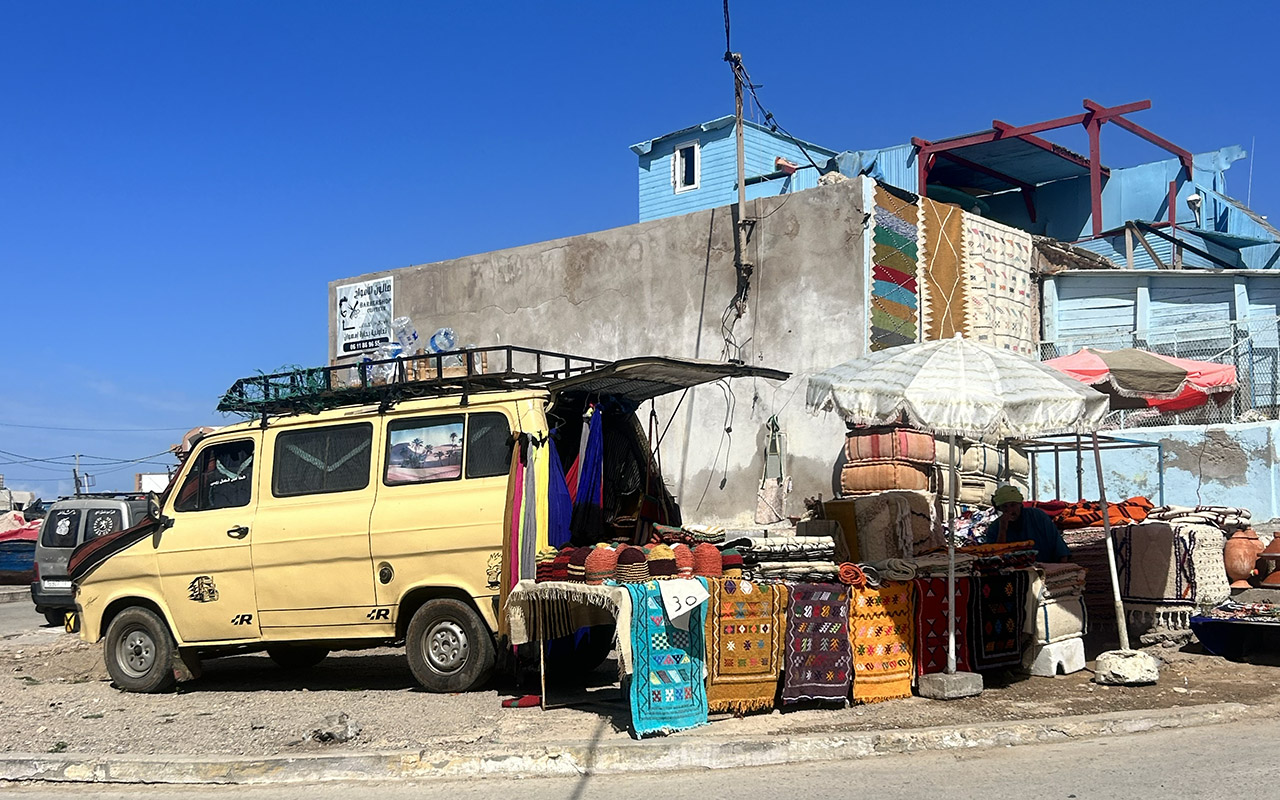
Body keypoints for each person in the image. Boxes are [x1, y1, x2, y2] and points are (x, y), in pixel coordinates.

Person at [984, 484, 1070, 563]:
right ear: (1000, 509)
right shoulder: (995, 528)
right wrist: (1003, 529)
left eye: (1013, 505)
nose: (1009, 510)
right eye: (1005, 507)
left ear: (1020, 504)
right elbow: (996, 557)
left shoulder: (1037, 516)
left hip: (1046, 566)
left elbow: (1057, 544)